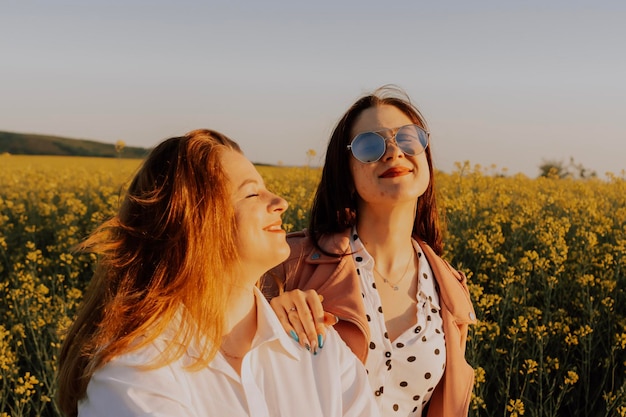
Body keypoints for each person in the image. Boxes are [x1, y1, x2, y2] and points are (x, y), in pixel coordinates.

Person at [56, 129, 379, 417]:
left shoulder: (317, 345)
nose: (280, 202)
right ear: (194, 221)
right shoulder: (133, 367)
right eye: (252, 193)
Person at [262, 86, 477, 417]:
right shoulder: (290, 263)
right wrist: (263, 320)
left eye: (408, 138)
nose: (393, 152)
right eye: (369, 146)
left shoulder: (448, 289)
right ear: (346, 173)